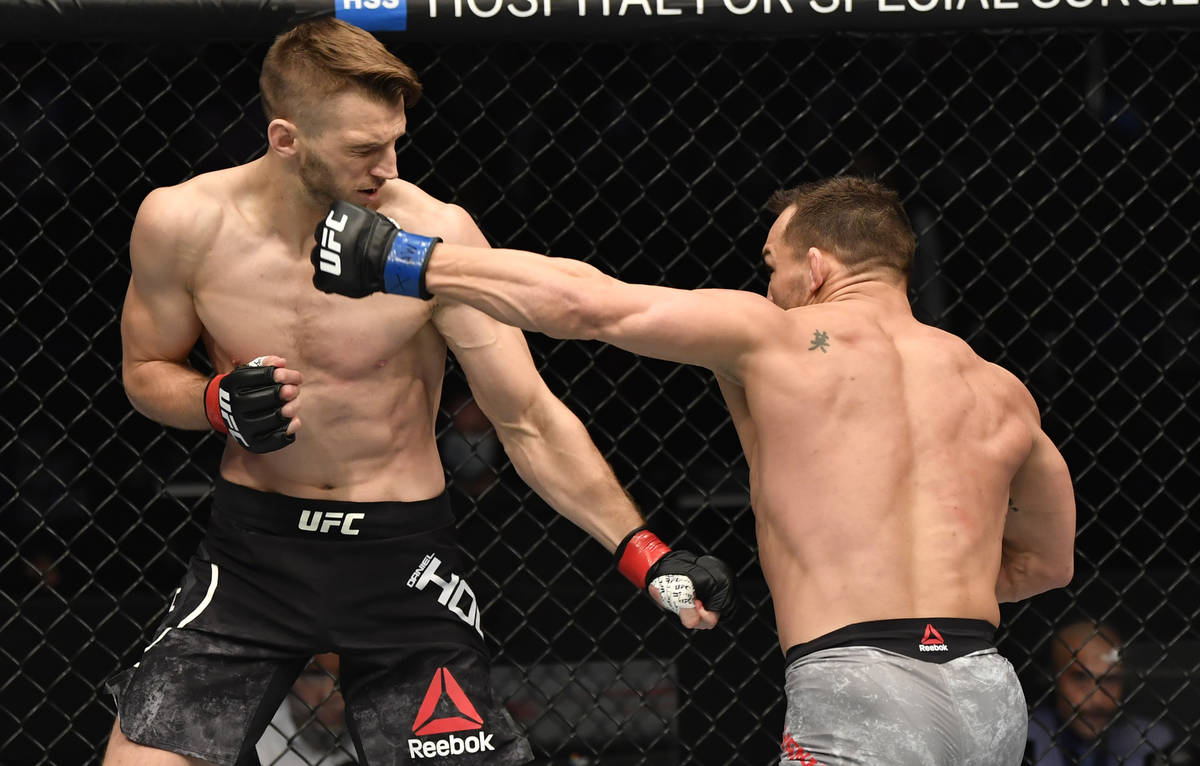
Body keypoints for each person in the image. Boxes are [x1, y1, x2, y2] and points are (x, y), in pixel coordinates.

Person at [107, 17, 734, 766]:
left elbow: (525, 418)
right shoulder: (183, 222)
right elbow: (146, 373)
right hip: (251, 555)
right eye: (364, 150)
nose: (390, 166)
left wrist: (644, 553)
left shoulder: (432, 237)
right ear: (285, 139)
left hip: (400, 558)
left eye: (396, 141)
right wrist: (214, 402)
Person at [311, 175, 1078, 765]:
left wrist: (400, 257)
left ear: (815, 267)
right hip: (985, 688)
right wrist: (932, 576)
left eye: (772, 265)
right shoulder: (1000, 390)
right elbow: (1048, 563)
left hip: (861, 682)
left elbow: (590, 305)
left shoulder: (778, 335)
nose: (769, 283)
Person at [1027, 619, 1176, 766]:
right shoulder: (1019, 737)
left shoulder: (1153, 742)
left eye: (1111, 680)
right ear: (1052, 678)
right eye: (1081, 678)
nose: (1098, 699)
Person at [256, 653, 357, 766]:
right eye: (314, 675)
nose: (329, 693)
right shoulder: (259, 739)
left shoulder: (374, 731)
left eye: (345, 677)